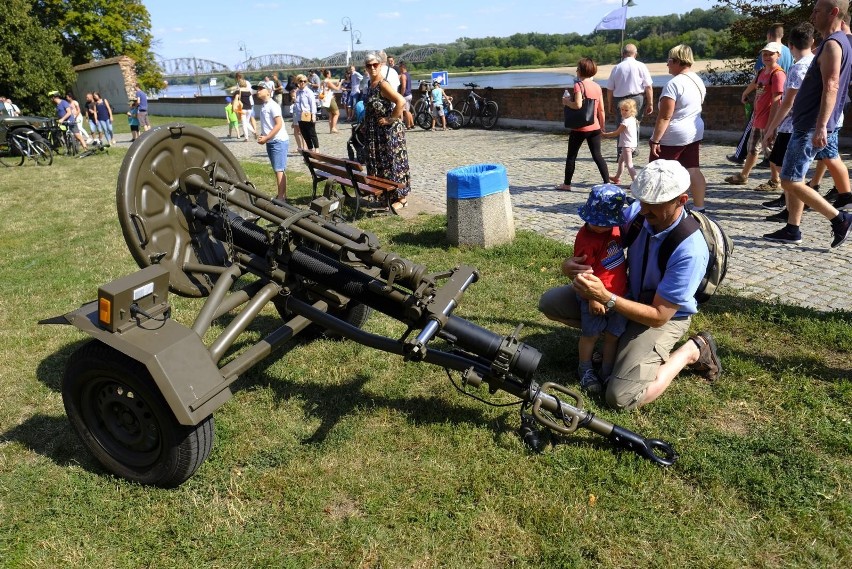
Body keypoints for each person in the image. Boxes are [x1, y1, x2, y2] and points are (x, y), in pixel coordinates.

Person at [539, 160, 720, 411]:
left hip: (663, 316)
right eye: (642, 201)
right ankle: (616, 340)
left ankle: (693, 350)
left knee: (621, 397)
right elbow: (599, 238)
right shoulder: (639, 214)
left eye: (654, 204)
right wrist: (568, 266)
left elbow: (659, 316)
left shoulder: (690, 250)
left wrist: (605, 298)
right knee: (551, 303)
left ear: (682, 200)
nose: (644, 210)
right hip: (625, 296)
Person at [763, 0, 852, 247]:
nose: (812, 15)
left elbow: (832, 85)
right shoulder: (838, 40)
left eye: (817, 10)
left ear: (833, 12)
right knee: (797, 176)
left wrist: (822, 125)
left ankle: (839, 218)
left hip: (811, 125)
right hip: (813, 123)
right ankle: (792, 229)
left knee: (791, 180)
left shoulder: (833, 45)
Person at [572, 184, 629, 394]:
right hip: (593, 296)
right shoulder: (586, 239)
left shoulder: (615, 229)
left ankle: (606, 370)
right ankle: (584, 368)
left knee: (613, 334)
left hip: (619, 294)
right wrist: (592, 298)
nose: (597, 226)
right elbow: (583, 272)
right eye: (594, 221)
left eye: (603, 223)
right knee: (591, 334)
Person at [760, 23, 817, 219]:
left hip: (793, 125)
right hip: (804, 123)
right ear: (812, 42)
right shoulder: (816, 62)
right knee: (783, 165)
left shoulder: (798, 68)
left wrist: (770, 129)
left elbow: (786, 103)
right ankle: (788, 204)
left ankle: (793, 209)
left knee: (790, 172)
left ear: (790, 45)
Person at [648, 44, 707, 211]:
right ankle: (699, 206)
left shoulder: (673, 84)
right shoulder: (697, 80)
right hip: (694, 130)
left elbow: (665, 116)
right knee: (693, 168)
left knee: (659, 170)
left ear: (677, 61)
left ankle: (658, 206)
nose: (667, 64)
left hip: (674, 134)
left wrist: (655, 139)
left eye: (669, 61)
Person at [728, 23, 795, 165]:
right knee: (770, 133)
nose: (767, 56)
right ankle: (762, 161)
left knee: (761, 130)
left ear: (769, 36)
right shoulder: (790, 52)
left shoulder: (768, 53)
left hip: (768, 99)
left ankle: (744, 156)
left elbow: (758, 78)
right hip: (785, 95)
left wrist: (746, 92)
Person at [724, 42, 787, 188]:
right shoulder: (762, 72)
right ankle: (744, 175)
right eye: (764, 54)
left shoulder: (777, 74)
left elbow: (777, 101)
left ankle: (775, 180)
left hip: (769, 120)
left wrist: (771, 125)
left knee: (770, 152)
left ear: (778, 55)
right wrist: (745, 93)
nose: (767, 57)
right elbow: (755, 83)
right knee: (752, 148)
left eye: (771, 54)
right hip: (758, 118)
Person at [363, 52, 411, 212]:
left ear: (381, 65)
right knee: (380, 165)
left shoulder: (383, 84)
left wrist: (391, 119)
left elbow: (401, 101)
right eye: (369, 65)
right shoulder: (370, 85)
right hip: (375, 133)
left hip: (389, 133)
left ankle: (402, 198)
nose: (372, 68)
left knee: (393, 164)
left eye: (375, 65)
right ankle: (386, 197)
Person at [557, 57, 609, 191]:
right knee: (598, 156)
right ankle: (607, 182)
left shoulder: (578, 85)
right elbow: (601, 109)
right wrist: (602, 126)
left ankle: (567, 184)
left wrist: (566, 102)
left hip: (580, 128)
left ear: (581, 70)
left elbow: (578, 105)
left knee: (571, 156)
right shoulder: (597, 87)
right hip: (595, 126)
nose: (576, 70)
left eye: (577, 68)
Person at [606, 43, 653, 154]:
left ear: (623, 54)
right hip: (637, 98)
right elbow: (648, 86)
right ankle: (633, 149)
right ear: (635, 54)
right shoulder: (641, 66)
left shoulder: (617, 68)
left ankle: (621, 151)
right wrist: (650, 103)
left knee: (620, 125)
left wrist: (610, 104)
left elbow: (609, 89)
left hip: (619, 99)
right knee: (635, 123)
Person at [253, 82, 289, 201]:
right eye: (257, 89)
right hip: (271, 141)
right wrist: (263, 135)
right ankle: (282, 195)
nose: (258, 91)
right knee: (278, 169)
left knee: (279, 170)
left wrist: (267, 137)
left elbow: (279, 124)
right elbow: (269, 124)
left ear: (268, 91)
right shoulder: (265, 105)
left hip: (278, 141)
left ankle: (281, 198)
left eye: (260, 89)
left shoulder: (273, 105)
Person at [601, 99, 639, 184]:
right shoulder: (632, 119)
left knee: (629, 164)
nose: (623, 112)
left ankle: (636, 183)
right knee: (621, 161)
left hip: (627, 146)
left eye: (626, 110)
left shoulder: (625, 121)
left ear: (632, 111)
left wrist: (605, 135)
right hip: (632, 144)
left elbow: (617, 132)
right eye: (622, 110)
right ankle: (617, 177)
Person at [293, 74, 319, 150]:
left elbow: (312, 104)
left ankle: (317, 149)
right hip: (299, 115)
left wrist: (313, 115)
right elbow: (296, 105)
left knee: (312, 133)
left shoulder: (309, 92)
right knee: (304, 133)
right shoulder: (297, 92)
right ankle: (310, 148)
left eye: (305, 81)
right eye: (301, 81)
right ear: (298, 82)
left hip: (308, 114)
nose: (303, 83)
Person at [235, 72, 257, 141]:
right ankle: (254, 131)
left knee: (244, 123)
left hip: (243, 108)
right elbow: (253, 92)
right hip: (249, 107)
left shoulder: (239, 91)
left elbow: (237, 98)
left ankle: (247, 137)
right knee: (247, 122)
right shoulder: (248, 91)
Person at [320, 69, 342, 134]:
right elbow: (337, 89)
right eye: (330, 73)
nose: (331, 74)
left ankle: (330, 130)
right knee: (337, 113)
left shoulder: (323, 81)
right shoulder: (328, 81)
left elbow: (323, 89)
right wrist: (340, 83)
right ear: (327, 74)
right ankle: (334, 128)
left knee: (331, 115)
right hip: (330, 99)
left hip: (325, 100)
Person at [398, 61, 414, 129]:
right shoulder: (408, 74)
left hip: (405, 95)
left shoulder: (403, 75)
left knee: (405, 111)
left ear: (402, 67)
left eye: (399, 67)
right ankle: (412, 123)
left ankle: (408, 125)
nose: (399, 68)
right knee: (408, 110)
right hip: (409, 94)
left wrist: (401, 95)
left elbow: (403, 86)